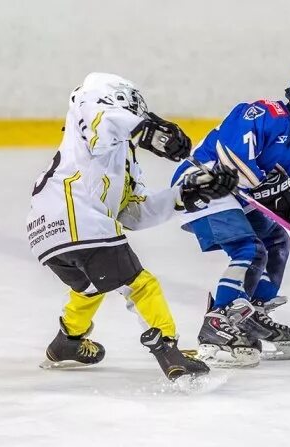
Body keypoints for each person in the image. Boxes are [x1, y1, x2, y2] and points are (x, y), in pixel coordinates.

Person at [26, 72, 239, 380]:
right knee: (139, 285)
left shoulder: (122, 157)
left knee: (91, 286)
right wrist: (148, 131)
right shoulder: (91, 102)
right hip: (76, 217)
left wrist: (187, 193)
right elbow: (104, 116)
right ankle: (169, 350)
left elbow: (133, 214)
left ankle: (66, 341)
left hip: (45, 233)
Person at [170, 62, 290, 367]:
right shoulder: (265, 114)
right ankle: (219, 320)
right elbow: (231, 155)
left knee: (277, 241)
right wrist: (266, 187)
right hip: (202, 186)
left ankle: (251, 312)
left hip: (236, 199)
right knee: (249, 248)